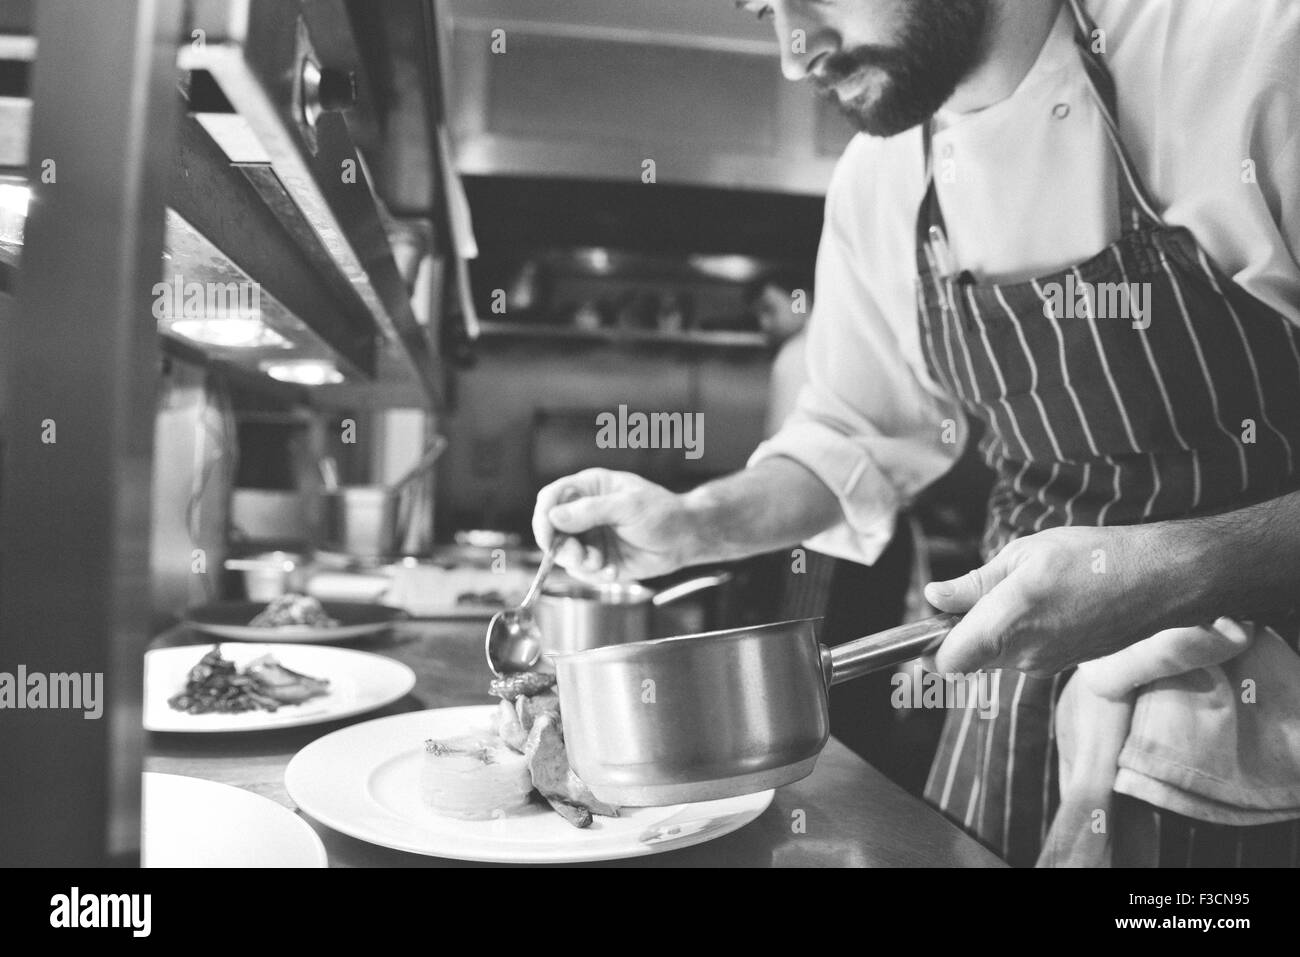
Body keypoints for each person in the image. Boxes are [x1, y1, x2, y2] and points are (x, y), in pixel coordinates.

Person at [533, 0, 1300, 866]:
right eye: (763, 10)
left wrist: (1187, 565)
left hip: (1270, 723)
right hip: (1013, 701)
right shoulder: (882, 179)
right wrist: (694, 522)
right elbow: (852, 439)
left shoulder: (1257, 53)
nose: (793, 53)